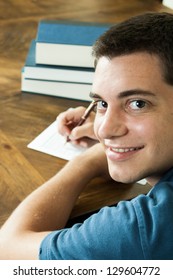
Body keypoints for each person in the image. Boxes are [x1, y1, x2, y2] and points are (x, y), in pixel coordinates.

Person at [1, 12, 173, 260]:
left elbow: (7, 251)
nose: (103, 129)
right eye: (102, 103)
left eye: (137, 103)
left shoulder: (141, 230)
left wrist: (86, 161)